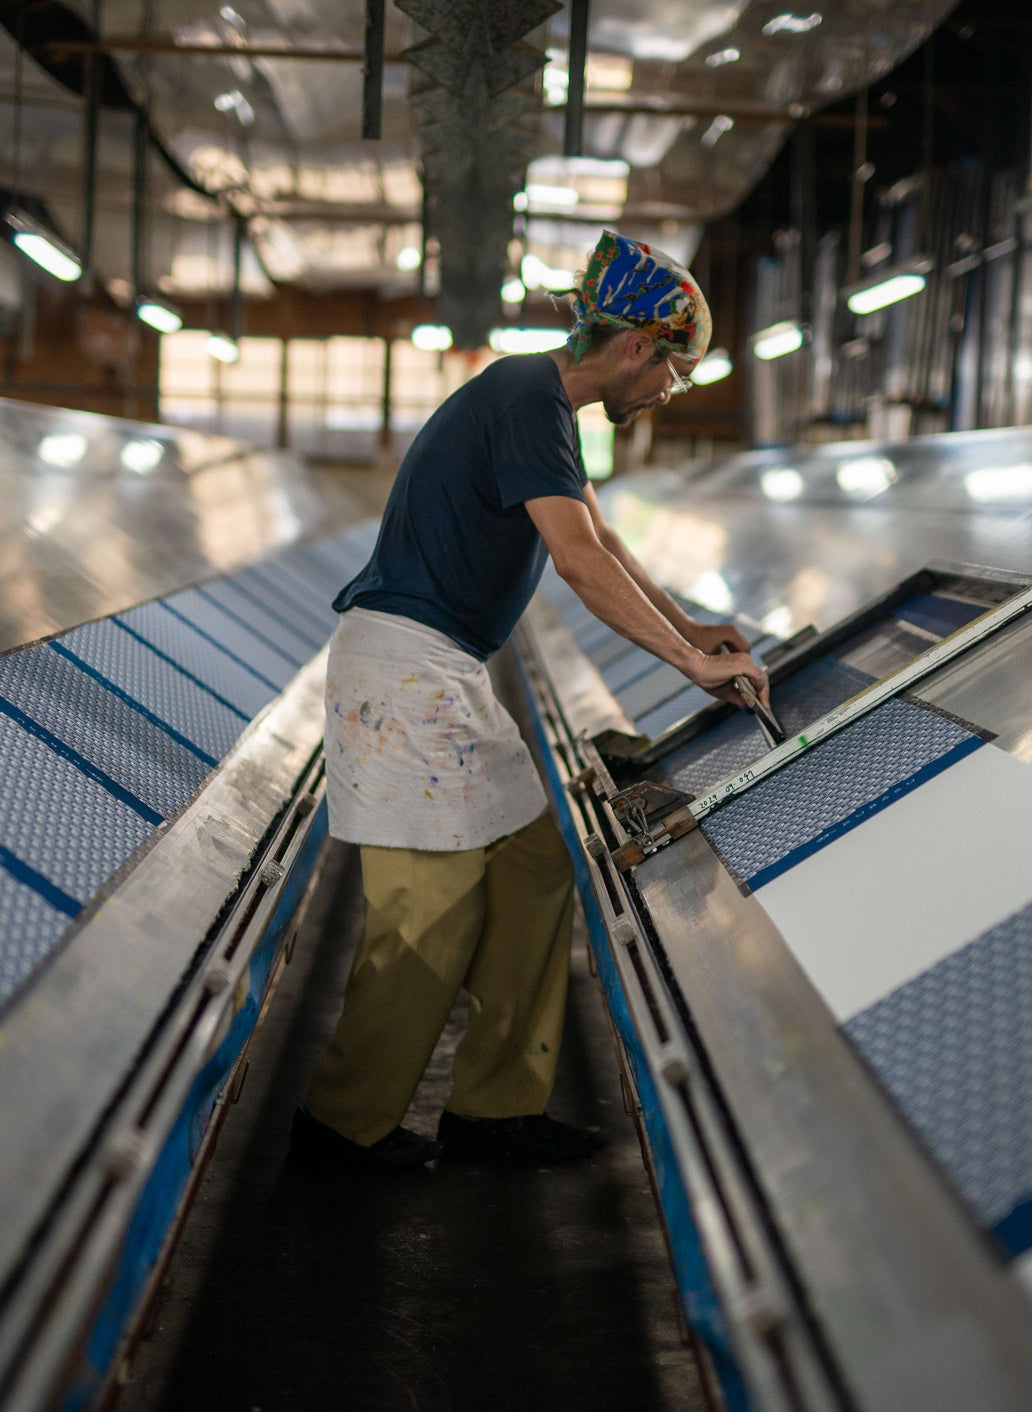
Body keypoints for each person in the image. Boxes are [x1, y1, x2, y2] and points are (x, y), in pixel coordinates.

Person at [291, 231, 768, 1171]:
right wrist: (686, 664)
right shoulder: (524, 394)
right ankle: (343, 1130)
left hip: (448, 672)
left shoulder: (547, 409)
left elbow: (602, 536)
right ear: (636, 347)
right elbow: (579, 561)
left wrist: (694, 626)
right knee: (430, 907)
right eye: (673, 370)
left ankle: (496, 1109)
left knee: (534, 867)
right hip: (405, 672)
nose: (669, 392)